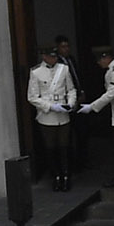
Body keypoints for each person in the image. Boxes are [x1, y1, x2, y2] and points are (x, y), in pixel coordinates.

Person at [28, 39, 80, 190]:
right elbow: (32, 97)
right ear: (44, 56)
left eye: (55, 56)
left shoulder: (63, 69)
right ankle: (56, 176)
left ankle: (66, 175)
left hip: (63, 115)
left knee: (64, 147)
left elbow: (71, 89)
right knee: (51, 149)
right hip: (47, 116)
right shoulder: (36, 72)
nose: (54, 59)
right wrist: (50, 106)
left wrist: (70, 103)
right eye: (51, 56)